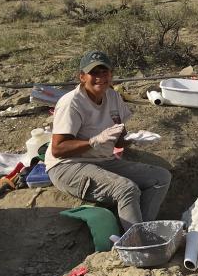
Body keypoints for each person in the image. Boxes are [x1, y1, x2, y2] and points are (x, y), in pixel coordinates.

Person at [47, 51, 171, 231]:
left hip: (103, 160)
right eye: (94, 73)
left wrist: (132, 139)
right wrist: (93, 142)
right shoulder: (72, 103)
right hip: (67, 165)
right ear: (82, 77)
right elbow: (58, 149)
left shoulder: (113, 97)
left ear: (111, 74)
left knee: (160, 177)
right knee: (126, 189)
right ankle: (137, 242)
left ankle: (140, 230)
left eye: (104, 72)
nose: (100, 77)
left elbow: (119, 140)